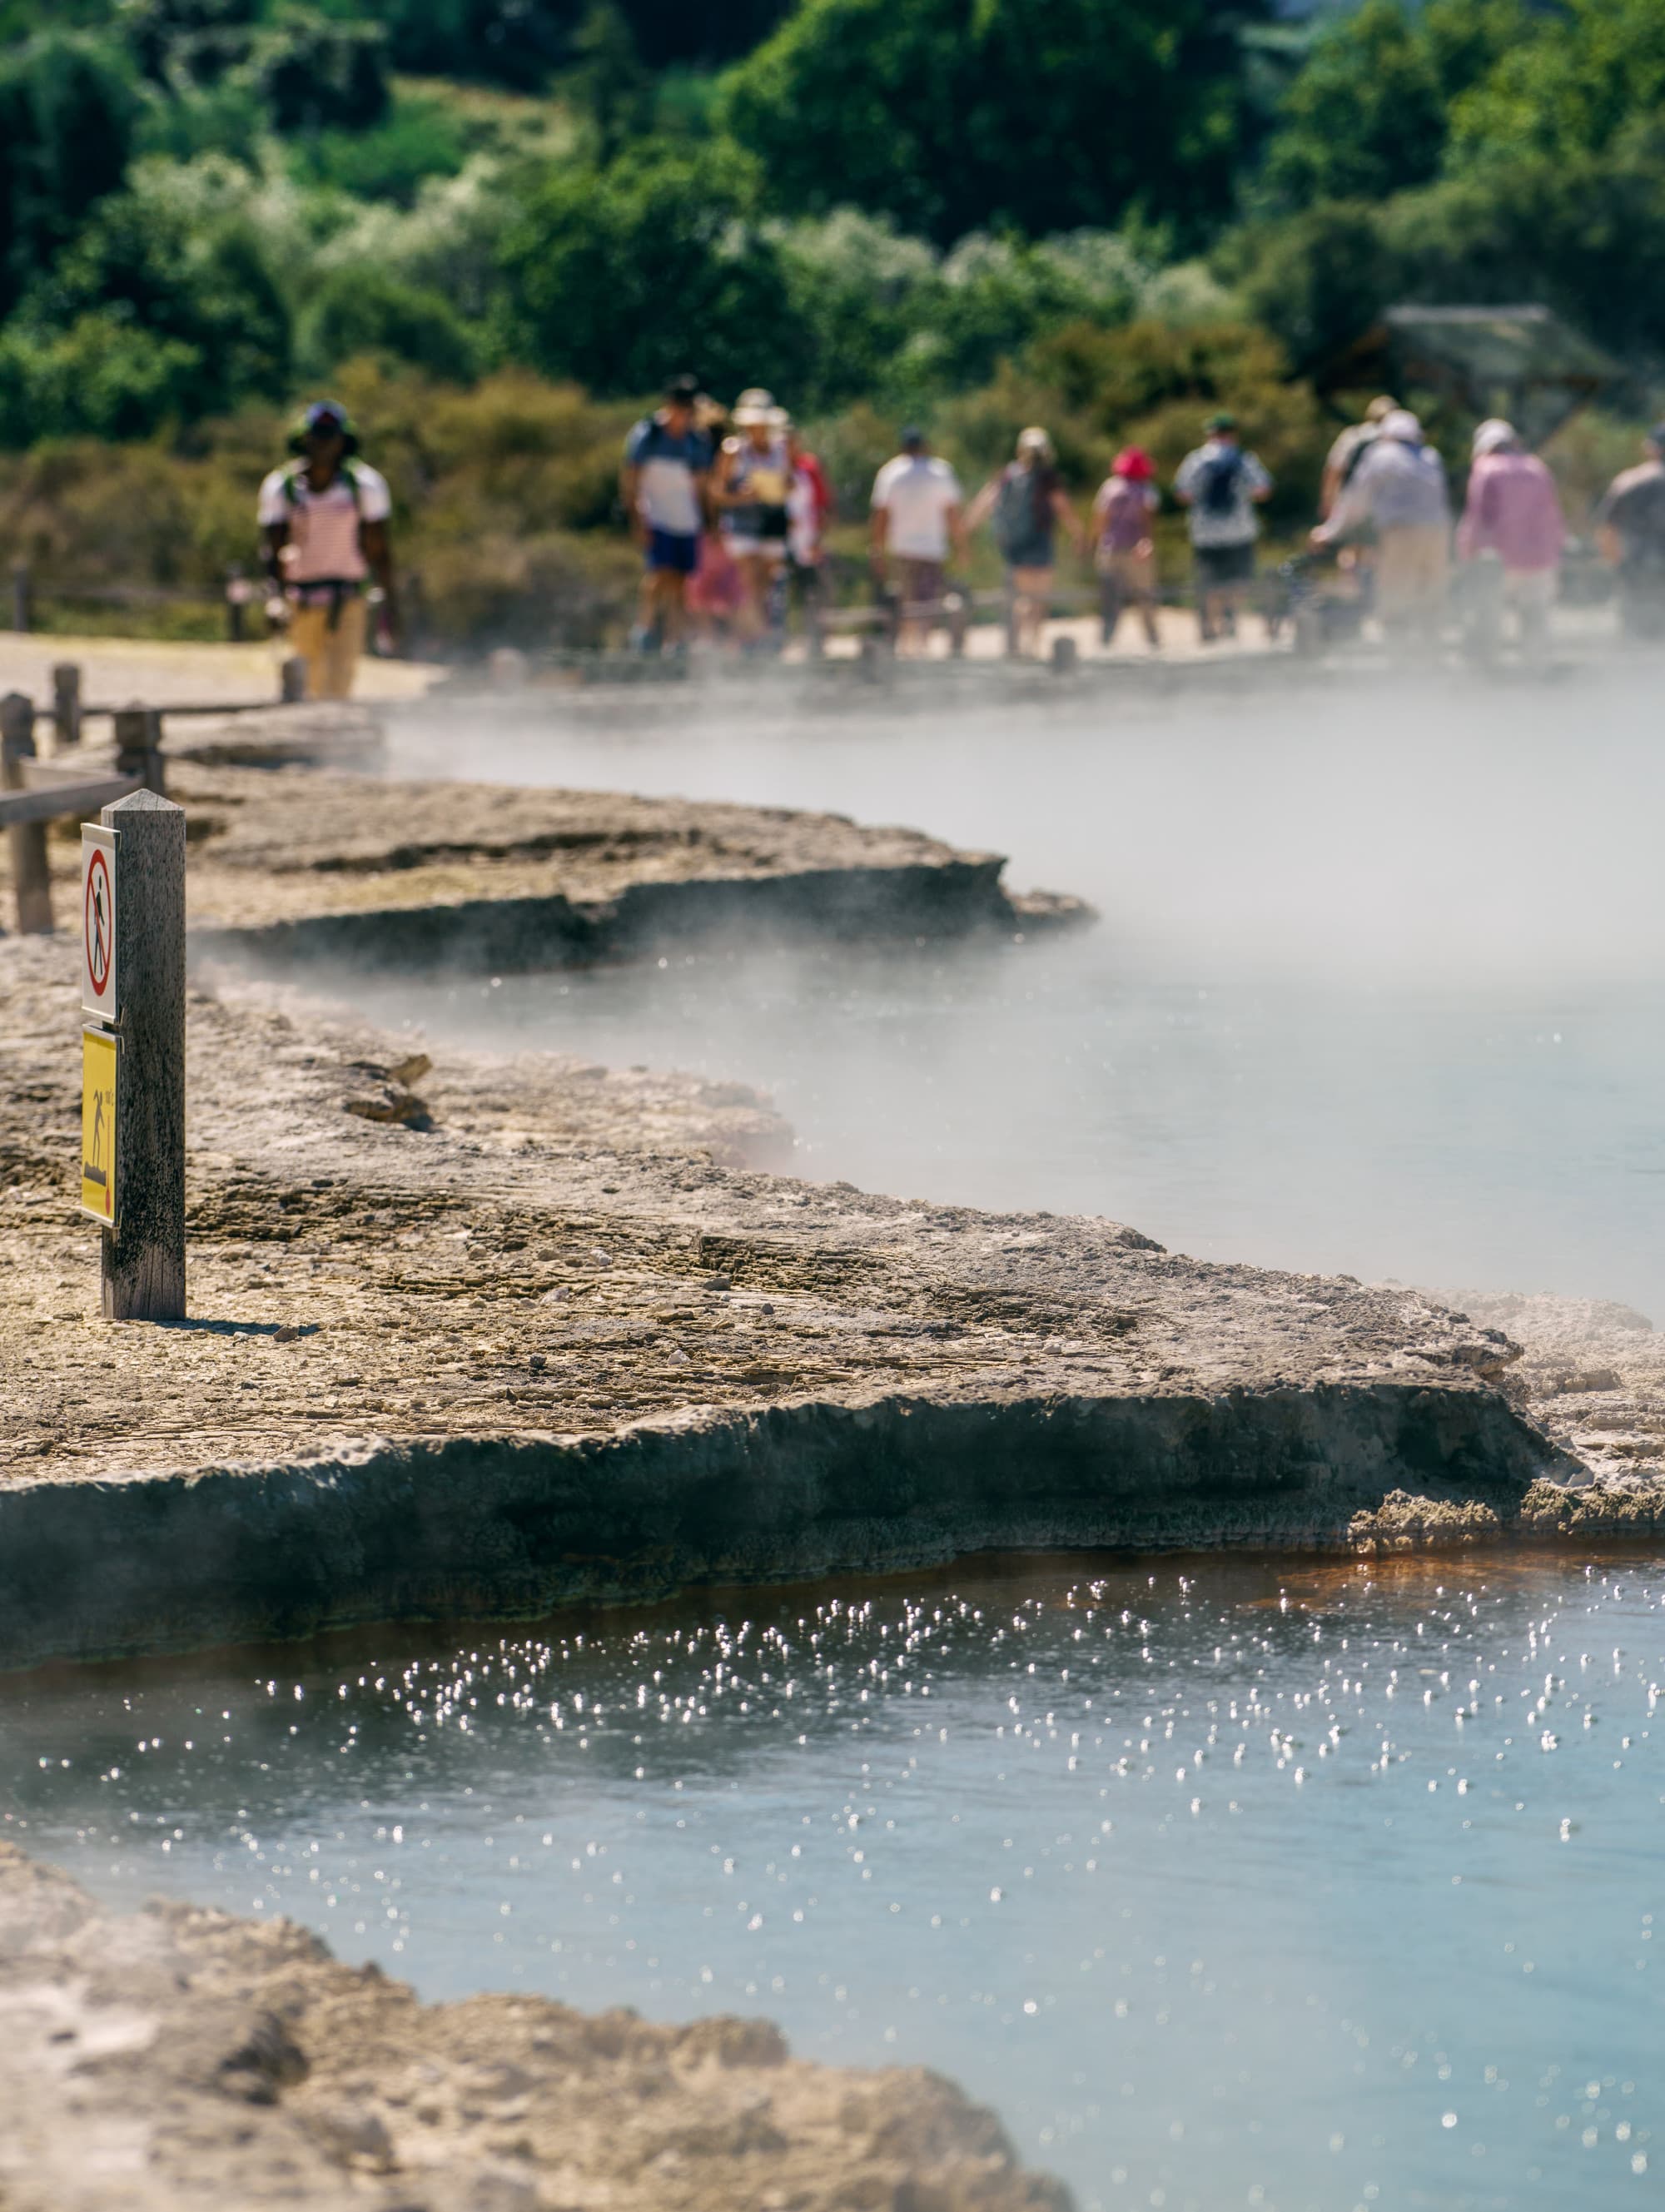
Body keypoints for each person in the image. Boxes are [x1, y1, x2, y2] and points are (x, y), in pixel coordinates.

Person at [257, 400, 396, 700]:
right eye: (317, 435)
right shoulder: (283, 487)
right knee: (309, 682)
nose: (323, 443)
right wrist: (274, 598)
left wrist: (391, 608)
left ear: (343, 441)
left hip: (349, 597)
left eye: (330, 435)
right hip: (303, 599)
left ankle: (337, 746)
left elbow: (379, 550)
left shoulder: (364, 485)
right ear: (304, 438)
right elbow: (272, 548)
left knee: (342, 680)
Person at [1314, 408, 1450, 641]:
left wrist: (1329, 531)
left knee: (1395, 594)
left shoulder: (1382, 455)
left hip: (1401, 532)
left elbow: (1356, 501)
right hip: (1437, 532)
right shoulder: (1431, 455)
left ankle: (1397, 653)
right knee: (1429, 594)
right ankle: (1430, 648)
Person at [966, 427, 1085, 657]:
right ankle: (1032, 646)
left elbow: (985, 502)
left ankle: (1017, 645)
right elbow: (1063, 509)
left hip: (1014, 547)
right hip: (1040, 544)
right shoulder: (1049, 478)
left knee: (1021, 598)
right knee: (1039, 598)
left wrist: (967, 529)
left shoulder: (1008, 475)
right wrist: (1078, 534)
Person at [1455, 419, 1565, 663]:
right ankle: (1535, 666)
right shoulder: (1537, 468)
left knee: (1489, 615)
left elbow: (1477, 516)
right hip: (1539, 558)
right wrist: (1555, 551)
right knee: (1535, 615)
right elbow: (1552, 515)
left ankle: (1489, 669)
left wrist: (1467, 549)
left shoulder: (1485, 468)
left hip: (1498, 559)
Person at [621, 372, 712, 652]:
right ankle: (645, 630)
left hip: (685, 519)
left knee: (681, 580)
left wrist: (708, 521)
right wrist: (637, 518)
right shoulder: (648, 434)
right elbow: (630, 478)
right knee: (659, 574)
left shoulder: (695, 441)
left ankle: (675, 638)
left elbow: (700, 485)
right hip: (656, 515)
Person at [1172, 412, 1273, 642]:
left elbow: (1181, 493)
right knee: (1239, 578)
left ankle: (1210, 626)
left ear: (1210, 434)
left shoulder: (1196, 460)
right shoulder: (1244, 459)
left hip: (1205, 532)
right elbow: (1264, 490)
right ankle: (1231, 618)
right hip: (1240, 530)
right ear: (1233, 434)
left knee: (1209, 580)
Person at [869, 425, 965, 652]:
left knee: (907, 601)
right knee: (928, 600)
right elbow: (952, 514)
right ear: (924, 446)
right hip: (932, 549)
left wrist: (877, 549)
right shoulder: (940, 471)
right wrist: (962, 546)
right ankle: (922, 644)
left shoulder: (890, 473)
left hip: (902, 548)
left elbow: (880, 516)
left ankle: (910, 646)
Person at [713, 387, 793, 645]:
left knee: (768, 582)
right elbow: (717, 492)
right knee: (748, 582)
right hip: (742, 524)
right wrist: (743, 497)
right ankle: (754, 639)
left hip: (772, 522)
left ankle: (760, 635)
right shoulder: (733, 451)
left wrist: (780, 488)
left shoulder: (781, 449)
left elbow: (789, 483)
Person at [1594, 426, 1665, 639]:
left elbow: (1608, 528)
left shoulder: (1630, 481)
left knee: (1636, 636)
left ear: (1651, 449)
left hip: (1637, 568)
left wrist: (1615, 563)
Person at [1091, 447, 1161, 650]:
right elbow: (1147, 520)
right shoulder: (1147, 490)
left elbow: (1101, 519)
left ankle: (1106, 639)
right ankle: (1152, 638)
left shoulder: (1110, 487)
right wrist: (1147, 542)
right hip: (1136, 549)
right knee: (1145, 595)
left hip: (1110, 548)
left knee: (1110, 597)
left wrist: (1096, 543)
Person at [783, 416, 834, 628]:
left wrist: (818, 538)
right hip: (781, 541)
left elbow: (823, 506)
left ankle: (815, 636)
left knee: (812, 591)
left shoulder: (809, 468)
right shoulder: (774, 467)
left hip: (808, 539)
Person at [1320, 395, 1398, 519]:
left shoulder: (1353, 435)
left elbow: (1334, 469)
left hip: (1349, 502)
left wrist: (1327, 502)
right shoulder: (1396, 440)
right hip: (1384, 507)